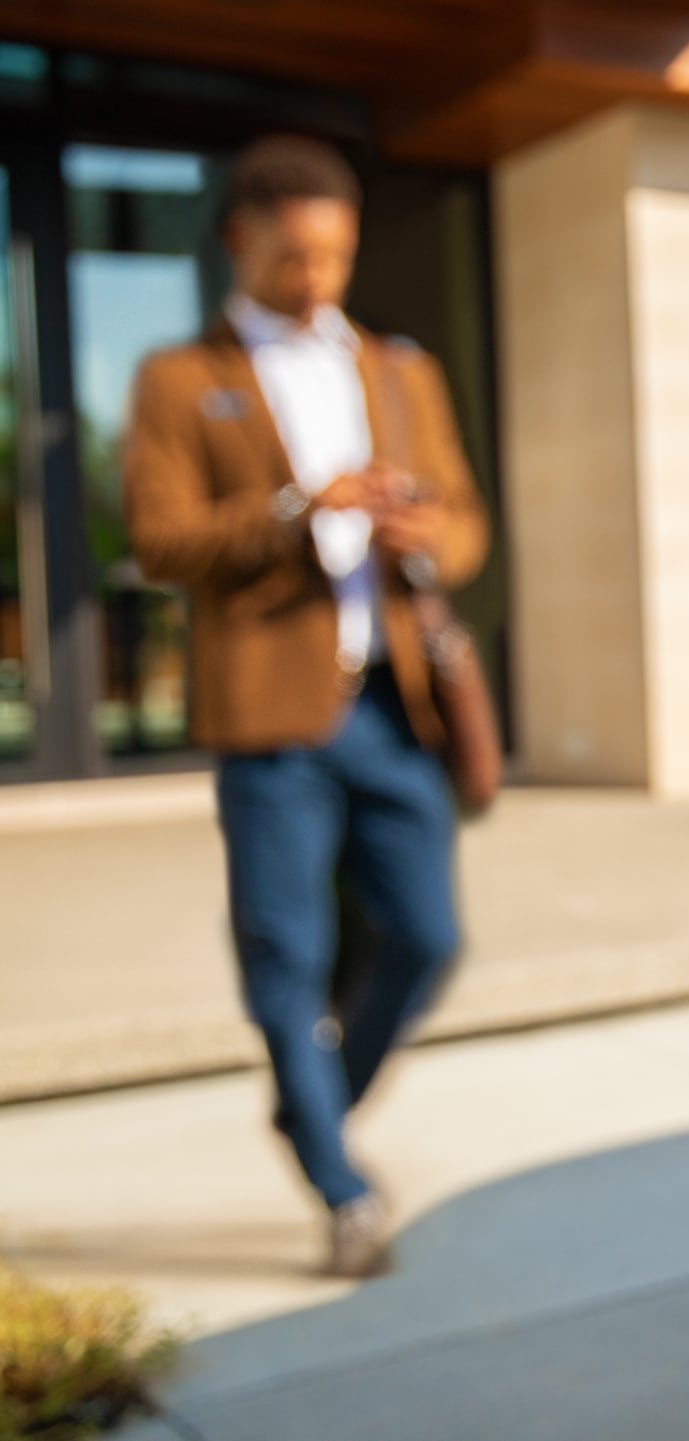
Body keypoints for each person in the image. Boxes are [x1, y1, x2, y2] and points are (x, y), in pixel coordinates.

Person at [122, 135, 489, 1278]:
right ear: (240, 240)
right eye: (294, 255)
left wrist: (427, 533)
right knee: (288, 949)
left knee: (427, 937)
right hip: (270, 714)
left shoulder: (399, 370)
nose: (318, 276)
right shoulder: (179, 377)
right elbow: (160, 539)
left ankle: (311, 1104)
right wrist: (298, 505)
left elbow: (470, 524)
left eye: (336, 253)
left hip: (393, 706)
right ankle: (340, 1182)